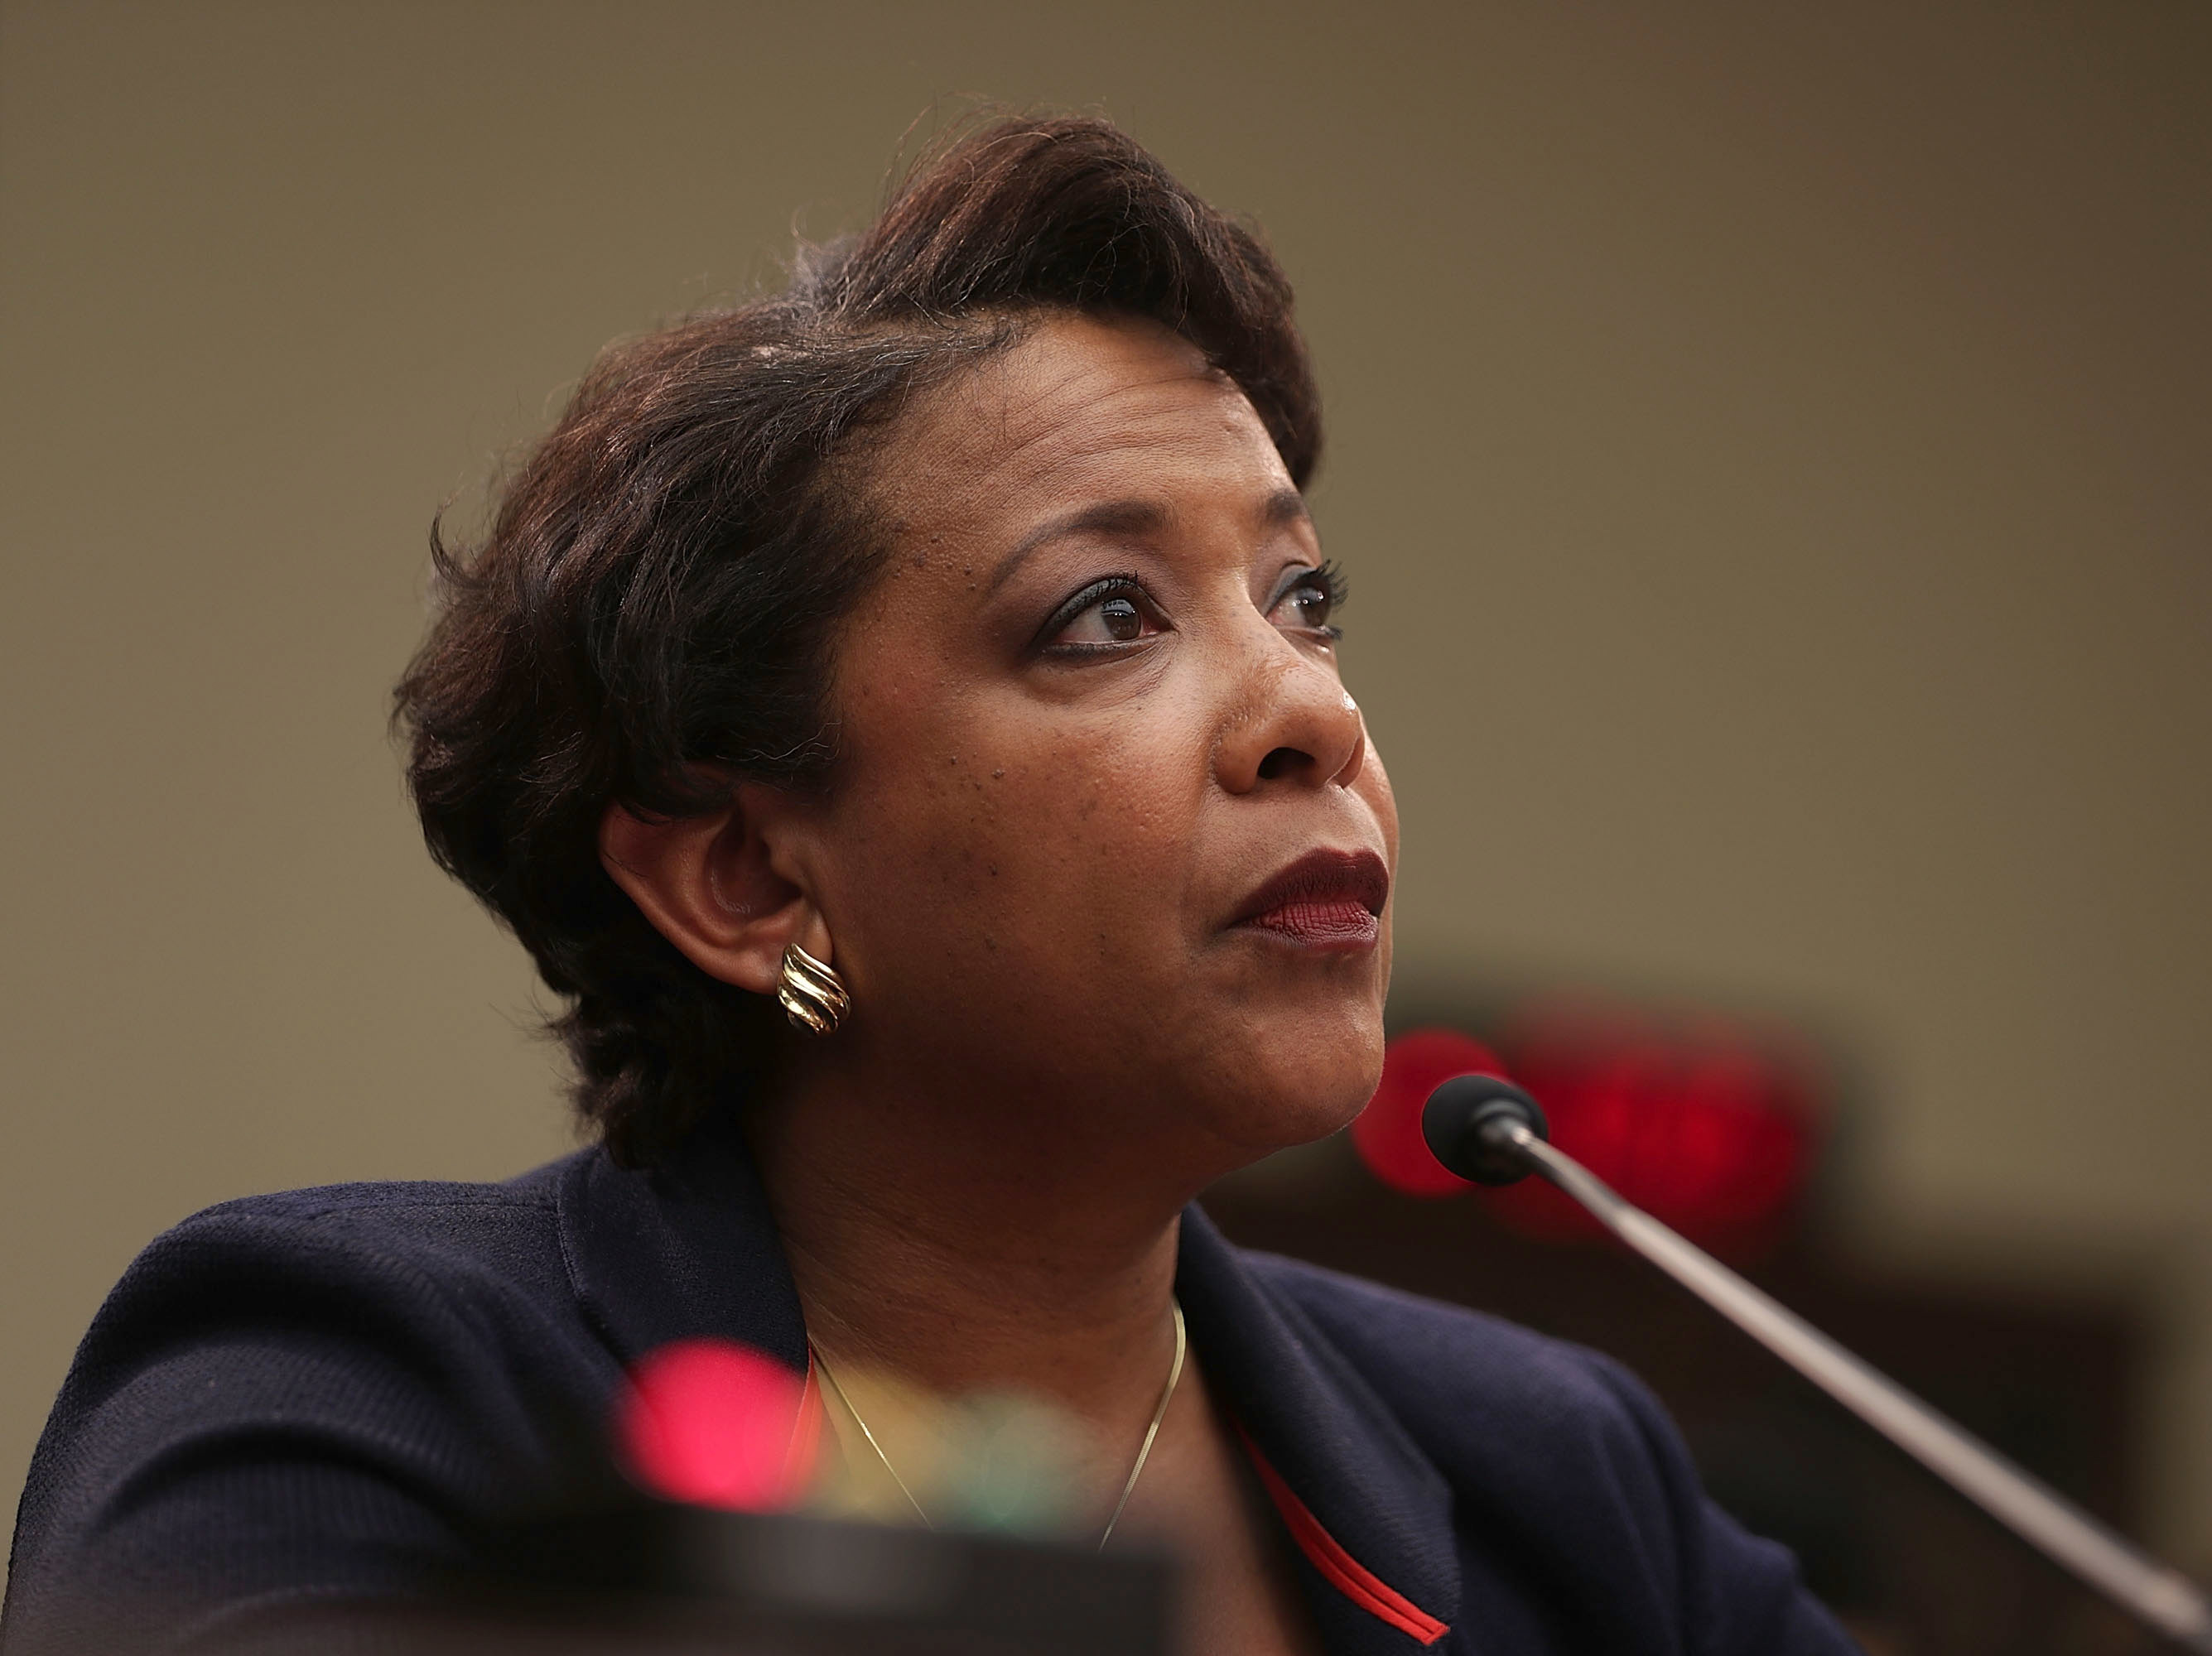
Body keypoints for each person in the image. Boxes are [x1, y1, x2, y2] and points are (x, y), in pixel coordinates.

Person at [2, 116, 1857, 1655]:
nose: (1309, 708)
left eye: (1305, 599)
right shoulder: (357, 1383)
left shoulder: (1554, 1481)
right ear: (744, 875)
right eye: (1103, 617)